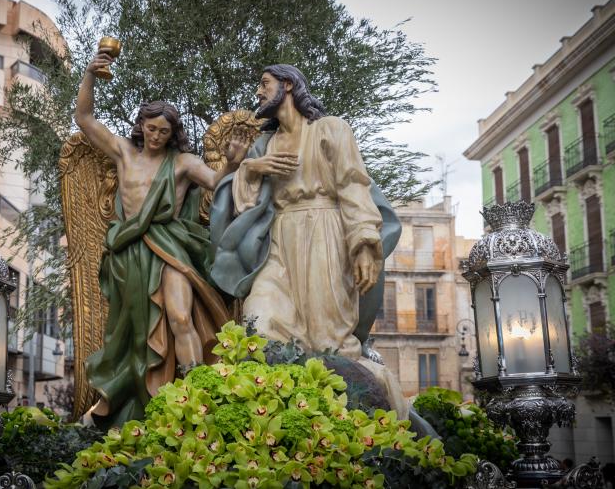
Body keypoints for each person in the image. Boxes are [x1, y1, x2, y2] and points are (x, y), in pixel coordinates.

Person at [209, 64, 407, 417]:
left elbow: (352, 185)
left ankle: (348, 423)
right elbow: (242, 204)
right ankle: (280, 420)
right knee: (260, 325)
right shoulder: (263, 144)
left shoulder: (330, 130)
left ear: (287, 85)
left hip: (326, 236)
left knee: (328, 344)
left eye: (264, 83)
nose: (258, 92)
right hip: (278, 241)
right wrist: (253, 169)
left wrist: (363, 244)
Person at [75, 49, 250, 427]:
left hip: (169, 245)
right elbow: (84, 118)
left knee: (179, 315)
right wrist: (90, 74)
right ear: (141, 126)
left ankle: (196, 391)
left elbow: (218, 185)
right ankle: (138, 400)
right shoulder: (123, 152)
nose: (156, 136)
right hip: (129, 253)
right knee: (134, 335)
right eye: (151, 129)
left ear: (173, 134)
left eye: (164, 131)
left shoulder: (183, 163)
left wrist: (234, 163)